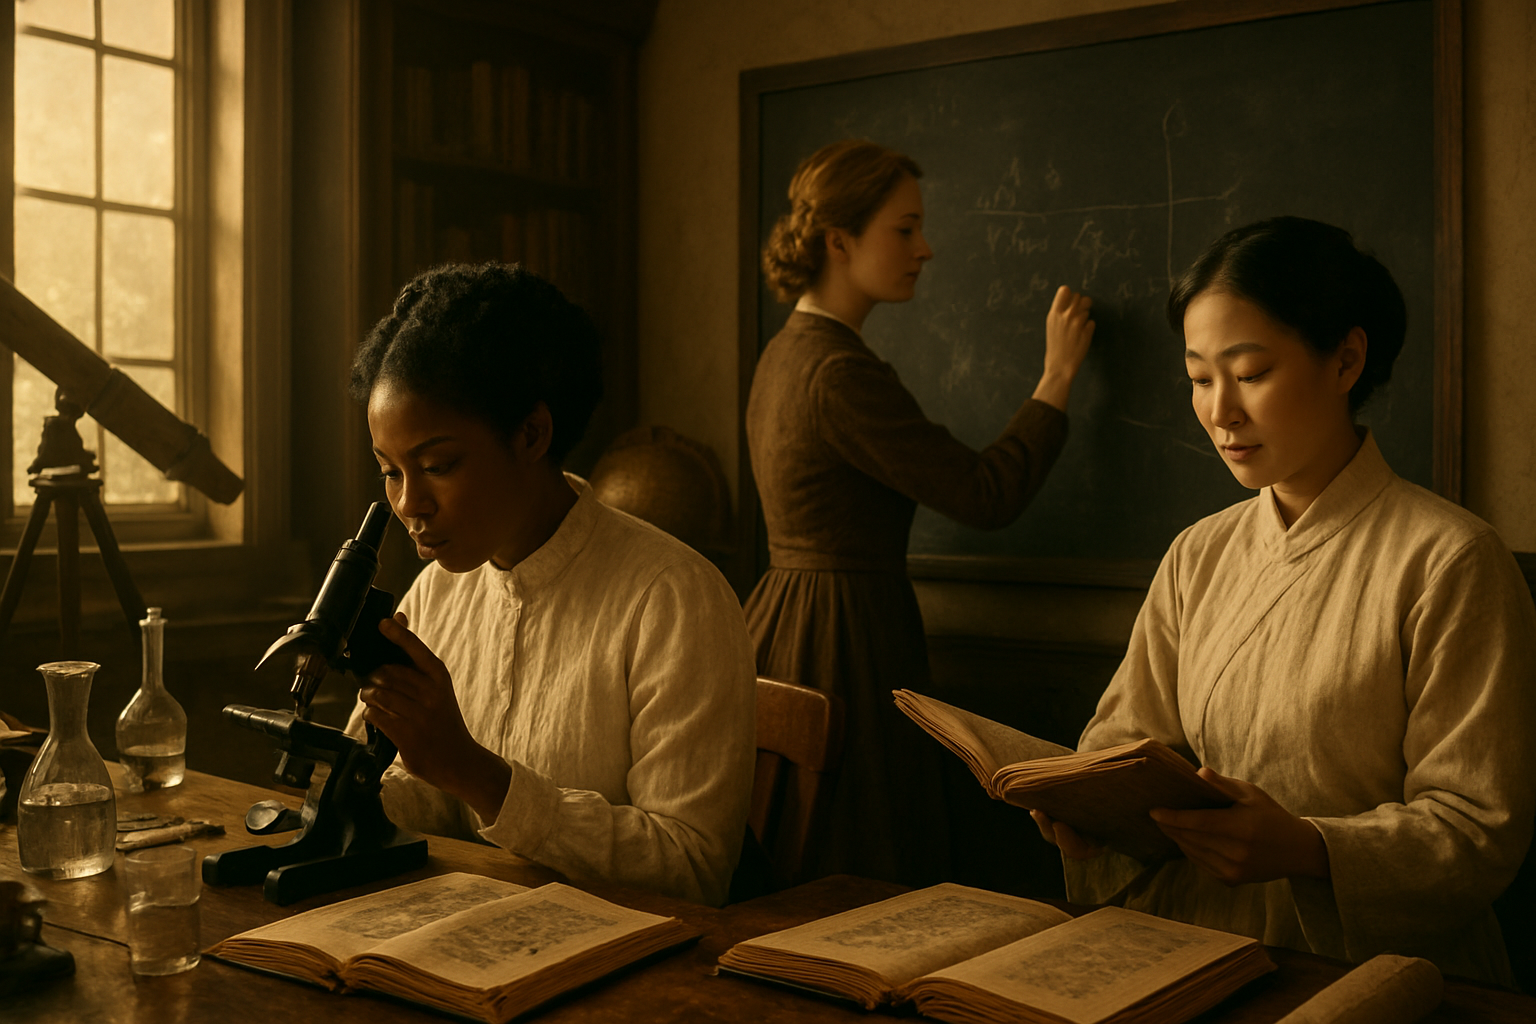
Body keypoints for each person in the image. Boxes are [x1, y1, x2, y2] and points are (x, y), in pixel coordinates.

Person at [1032, 216, 1536, 985]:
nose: (1220, 411)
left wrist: (1307, 847)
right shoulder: (1199, 552)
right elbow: (1126, 741)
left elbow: (1475, 829)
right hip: (1189, 956)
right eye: (1200, 378)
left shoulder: (1450, 560)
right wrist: (1085, 808)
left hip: (1370, 973)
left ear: (1347, 359)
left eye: (1251, 372)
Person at [344, 262, 756, 907]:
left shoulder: (672, 599)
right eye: (389, 472)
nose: (409, 503)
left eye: (436, 466)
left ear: (532, 433)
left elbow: (693, 867)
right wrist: (353, 784)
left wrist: (478, 776)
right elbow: (417, 796)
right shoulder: (432, 595)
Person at [745, 139, 1096, 884]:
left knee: (814, 847)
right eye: (904, 229)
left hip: (782, 622)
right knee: (860, 855)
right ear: (839, 240)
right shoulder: (838, 372)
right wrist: (1058, 377)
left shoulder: (787, 352)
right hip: (846, 637)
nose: (924, 248)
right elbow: (983, 494)